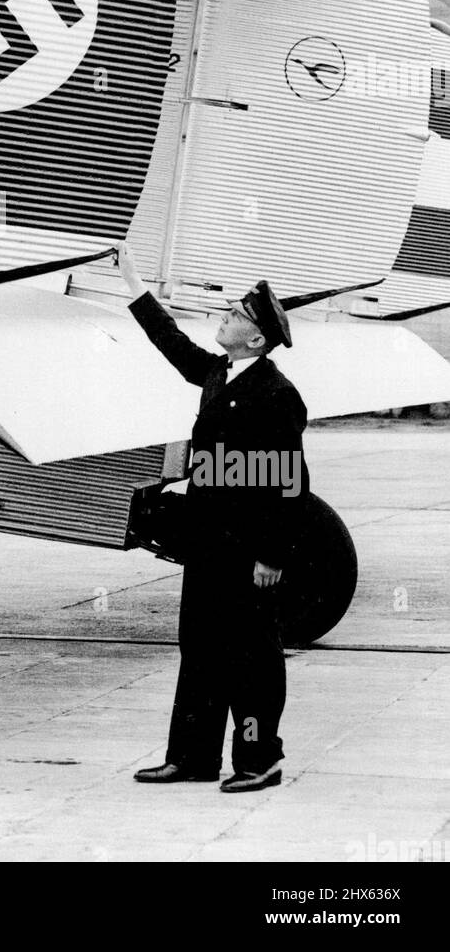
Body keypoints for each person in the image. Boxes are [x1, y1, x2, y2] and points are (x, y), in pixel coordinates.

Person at [118, 242, 309, 793]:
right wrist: (134, 286)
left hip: (249, 553)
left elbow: (290, 485)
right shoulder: (220, 375)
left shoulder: (276, 394)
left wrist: (273, 554)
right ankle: (194, 757)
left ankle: (259, 760)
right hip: (206, 546)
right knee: (199, 650)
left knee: (251, 659)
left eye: (233, 318)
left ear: (256, 338)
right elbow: (172, 343)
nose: (221, 321)